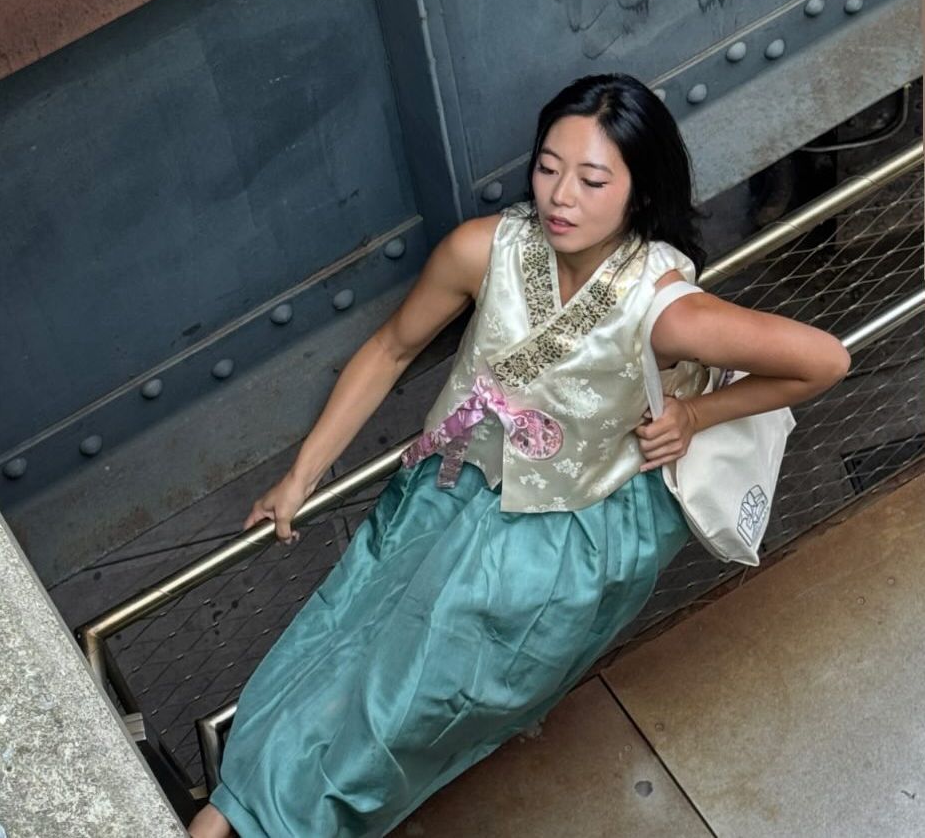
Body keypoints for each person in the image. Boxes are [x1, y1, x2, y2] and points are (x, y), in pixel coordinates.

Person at [188, 73, 850, 838]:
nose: (560, 196)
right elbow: (391, 348)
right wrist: (299, 477)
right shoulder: (485, 248)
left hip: (554, 545)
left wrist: (697, 411)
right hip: (443, 494)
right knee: (333, 648)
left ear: (638, 193)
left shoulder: (661, 306)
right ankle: (229, 814)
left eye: (592, 179)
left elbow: (823, 359)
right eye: (548, 167)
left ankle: (245, 820)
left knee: (388, 707)